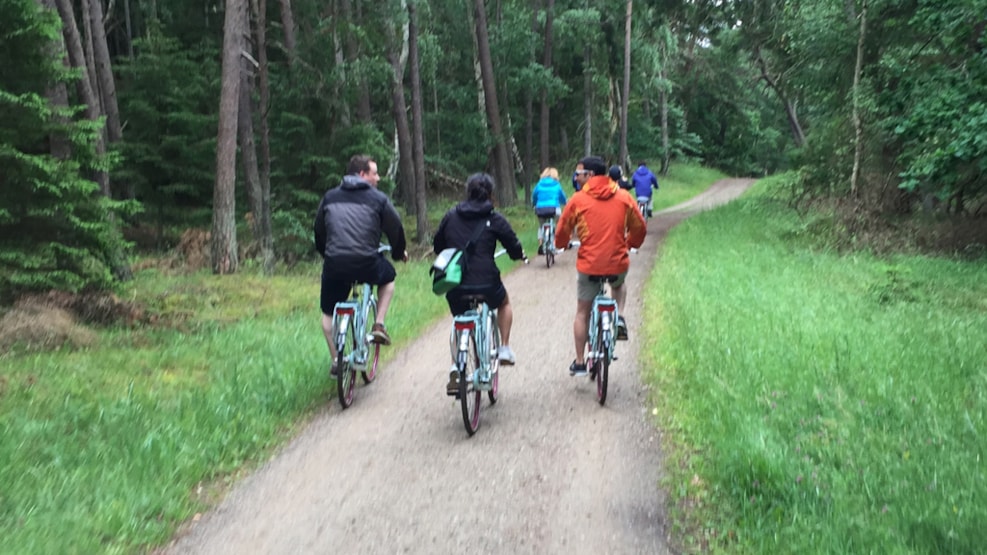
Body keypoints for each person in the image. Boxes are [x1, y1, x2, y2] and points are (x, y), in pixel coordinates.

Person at [314, 154, 408, 376]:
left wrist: (327, 254)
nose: (378, 178)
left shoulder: (329, 197)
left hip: (334, 264)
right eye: (374, 173)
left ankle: (337, 360)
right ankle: (379, 324)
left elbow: (319, 232)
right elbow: (395, 228)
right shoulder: (378, 199)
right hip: (366, 263)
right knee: (389, 277)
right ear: (362, 174)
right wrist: (397, 252)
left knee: (328, 314)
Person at [433, 173, 526, 394]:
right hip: (487, 283)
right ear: (491, 194)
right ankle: (503, 348)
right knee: (503, 303)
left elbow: (438, 244)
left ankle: (457, 365)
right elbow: (513, 246)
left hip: (456, 283)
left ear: (467, 192)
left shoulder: (451, 215)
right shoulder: (495, 219)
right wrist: (519, 255)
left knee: (460, 320)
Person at [554, 155, 646, 377]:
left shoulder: (578, 200)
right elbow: (640, 227)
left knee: (582, 312)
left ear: (590, 175)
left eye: (579, 173)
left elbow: (562, 230)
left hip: (589, 265)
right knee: (618, 283)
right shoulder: (624, 197)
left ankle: (579, 361)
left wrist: (562, 244)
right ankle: (620, 316)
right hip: (617, 261)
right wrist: (631, 243)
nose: (576, 177)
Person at [530, 167, 568, 255]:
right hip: (554, 209)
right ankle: (555, 243)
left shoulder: (539, 185)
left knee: (541, 226)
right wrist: (565, 202)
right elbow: (562, 197)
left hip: (540, 209)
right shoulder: (557, 185)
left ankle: (541, 244)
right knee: (558, 224)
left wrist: (534, 204)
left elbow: (534, 197)